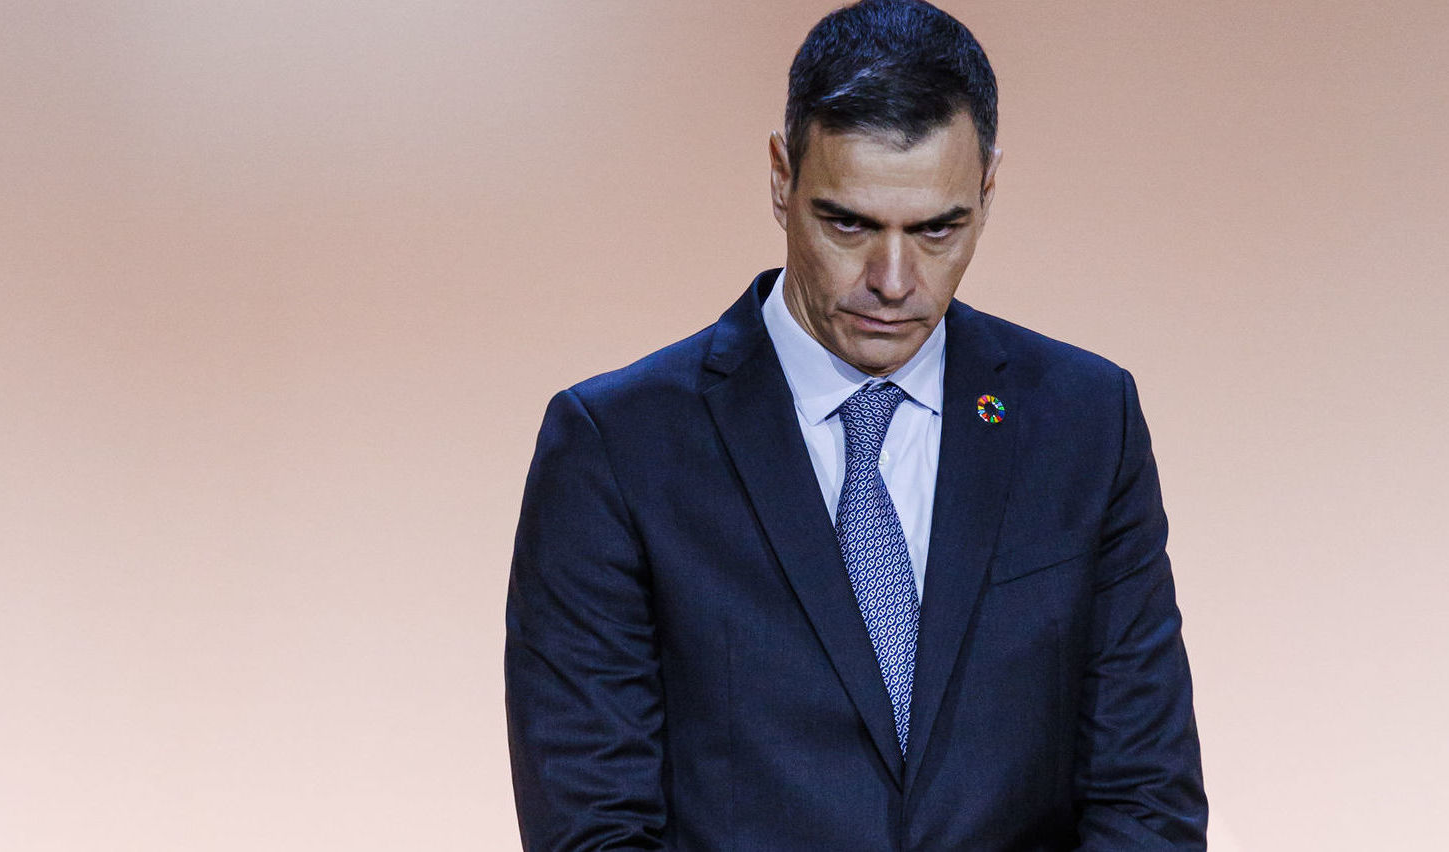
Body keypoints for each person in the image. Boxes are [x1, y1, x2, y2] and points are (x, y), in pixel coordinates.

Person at [504, 1, 1207, 848]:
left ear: (988, 190)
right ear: (781, 178)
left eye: (938, 228)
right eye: (849, 223)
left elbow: (1146, 798)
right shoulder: (617, 449)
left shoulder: (1086, 424)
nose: (894, 280)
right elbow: (594, 827)